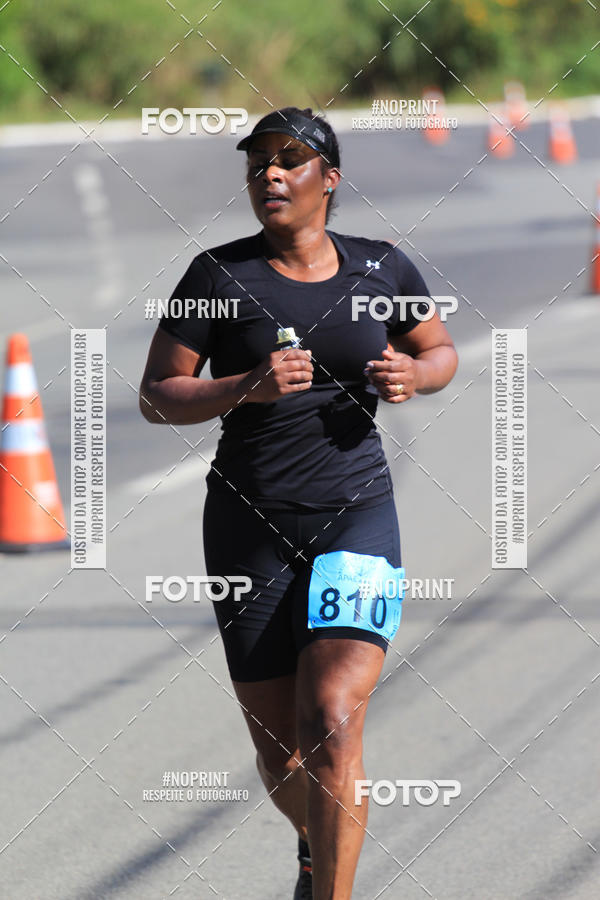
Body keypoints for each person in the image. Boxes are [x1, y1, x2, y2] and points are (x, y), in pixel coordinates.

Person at [139, 106, 458, 899]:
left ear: (330, 180)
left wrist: (417, 376)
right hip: (247, 529)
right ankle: (317, 849)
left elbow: (439, 348)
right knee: (283, 752)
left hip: (358, 514)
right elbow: (155, 395)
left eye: (289, 161)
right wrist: (241, 387)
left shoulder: (383, 267)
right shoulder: (217, 277)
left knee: (333, 721)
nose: (270, 175)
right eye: (257, 166)